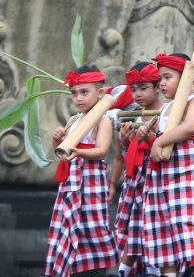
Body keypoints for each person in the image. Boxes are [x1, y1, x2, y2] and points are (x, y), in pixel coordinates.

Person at [142, 53, 194, 277]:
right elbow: (159, 145)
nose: (161, 83)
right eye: (160, 78)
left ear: (185, 79)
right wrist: (148, 137)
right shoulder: (165, 109)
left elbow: (189, 127)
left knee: (185, 222)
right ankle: (168, 272)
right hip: (163, 174)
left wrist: (160, 140)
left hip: (187, 172)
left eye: (167, 77)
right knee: (162, 225)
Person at [45, 65, 118, 276]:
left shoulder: (102, 120)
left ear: (100, 93)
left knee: (91, 225)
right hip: (71, 180)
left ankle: (94, 268)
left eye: (84, 92)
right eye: (74, 93)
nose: (78, 98)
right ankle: (69, 267)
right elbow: (61, 153)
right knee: (67, 225)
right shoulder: (74, 120)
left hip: (90, 180)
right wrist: (57, 140)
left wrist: (78, 151)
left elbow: (102, 150)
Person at [114, 62, 161, 277]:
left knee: (154, 232)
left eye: (143, 88)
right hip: (135, 180)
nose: (138, 94)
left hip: (156, 180)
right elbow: (122, 155)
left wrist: (149, 138)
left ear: (157, 87)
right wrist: (125, 142)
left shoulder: (166, 113)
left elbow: (165, 150)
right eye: (133, 89)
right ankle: (124, 272)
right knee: (133, 229)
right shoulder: (131, 116)